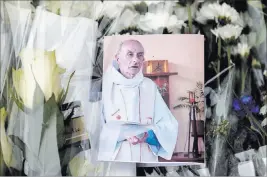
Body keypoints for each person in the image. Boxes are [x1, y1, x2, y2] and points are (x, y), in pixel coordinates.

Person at [98, 39, 178, 164]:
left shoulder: (149, 86)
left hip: (146, 156)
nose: (135, 60)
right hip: (116, 157)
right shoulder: (104, 86)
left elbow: (168, 123)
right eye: (130, 54)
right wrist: (123, 134)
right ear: (117, 58)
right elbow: (95, 127)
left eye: (140, 55)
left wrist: (149, 135)